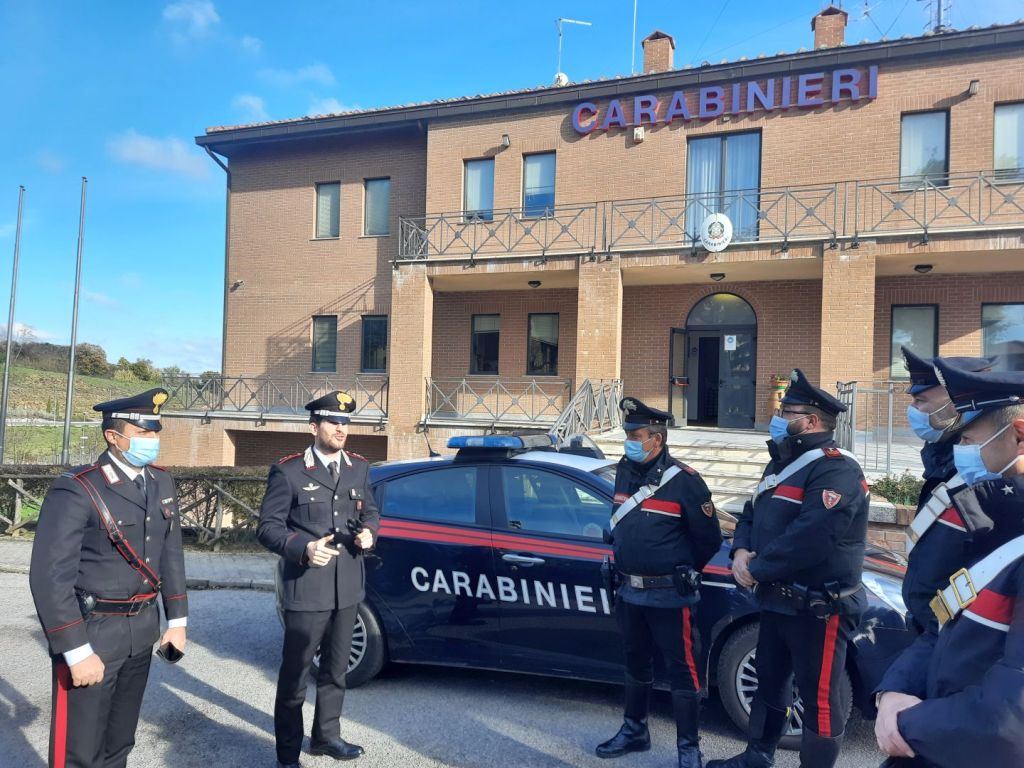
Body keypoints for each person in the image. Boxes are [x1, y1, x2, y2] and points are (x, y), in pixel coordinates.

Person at [708, 369, 869, 768]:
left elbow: (812, 537)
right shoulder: (781, 463)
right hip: (776, 601)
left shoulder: (837, 469)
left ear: (811, 421)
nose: (777, 416)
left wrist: (758, 568)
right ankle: (757, 757)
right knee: (769, 682)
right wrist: (741, 550)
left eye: (786, 410)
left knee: (819, 700)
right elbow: (750, 511)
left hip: (818, 607)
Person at [873, 360, 1024, 768]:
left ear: (1019, 437)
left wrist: (908, 722)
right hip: (937, 733)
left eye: (970, 439)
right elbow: (945, 622)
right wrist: (892, 692)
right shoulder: (999, 517)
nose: (961, 453)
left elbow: (1008, 722)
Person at [29, 388, 188, 768]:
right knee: (79, 751)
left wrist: (177, 621)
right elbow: (49, 576)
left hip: (142, 631)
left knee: (120, 742)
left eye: (155, 433)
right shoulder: (79, 487)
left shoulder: (161, 482)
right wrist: (76, 650)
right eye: (143, 433)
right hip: (94, 633)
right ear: (113, 437)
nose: (152, 441)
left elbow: (171, 555)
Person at [596, 397, 722, 768]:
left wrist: (681, 568)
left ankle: (688, 749)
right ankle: (635, 730)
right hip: (630, 591)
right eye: (628, 434)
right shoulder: (624, 471)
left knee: (682, 671)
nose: (629, 441)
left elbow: (709, 539)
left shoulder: (685, 482)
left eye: (636, 435)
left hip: (668, 595)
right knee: (635, 664)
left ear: (657, 439)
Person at [257, 391, 379, 768]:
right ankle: (288, 754)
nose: (341, 429)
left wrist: (370, 533)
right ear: (314, 426)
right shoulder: (289, 470)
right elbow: (267, 528)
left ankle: (326, 737)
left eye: (345, 423)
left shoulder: (359, 467)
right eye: (334, 422)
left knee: (336, 670)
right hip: (307, 588)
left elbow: (371, 510)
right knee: (294, 678)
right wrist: (303, 548)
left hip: (347, 588)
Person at [900, 347, 994, 634]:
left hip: (952, 637)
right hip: (929, 627)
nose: (913, 411)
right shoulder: (942, 459)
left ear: (956, 402)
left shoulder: (982, 471)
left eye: (921, 401)